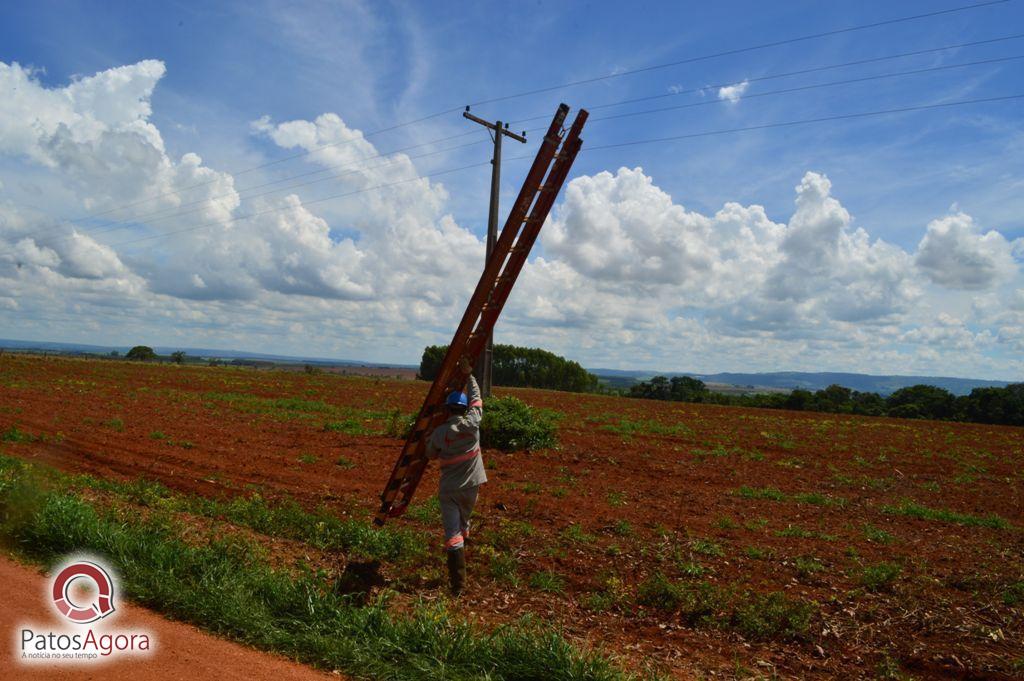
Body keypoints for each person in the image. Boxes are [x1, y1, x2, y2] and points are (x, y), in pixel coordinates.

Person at [425, 356, 486, 596]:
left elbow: (429, 454)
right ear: (464, 409)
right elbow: (477, 399)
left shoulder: (441, 433)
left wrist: (430, 436)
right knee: (464, 521)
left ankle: (458, 585)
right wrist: (469, 375)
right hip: (472, 486)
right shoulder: (473, 424)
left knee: (452, 534)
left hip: (449, 489)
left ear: (448, 409)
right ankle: (464, 545)